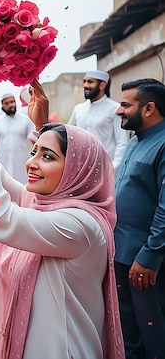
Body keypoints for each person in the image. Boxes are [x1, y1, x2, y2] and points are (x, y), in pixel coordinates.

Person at [0, 44, 124, 359]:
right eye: (34, 152)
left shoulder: (79, 225)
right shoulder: (48, 204)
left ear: (76, 170)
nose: (31, 163)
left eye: (46, 156)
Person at [113, 78, 165, 359]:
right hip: (123, 254)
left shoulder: (163, 143)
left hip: (147, 262)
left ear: (149, 109)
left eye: (125, 104)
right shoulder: (135, 142)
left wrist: (150, 255)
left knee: (153, 335)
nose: (119, 110)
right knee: (129, 333)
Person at [68, 70, 128, 169]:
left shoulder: (114, 108)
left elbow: (122, 142)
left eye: (90, 82)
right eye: (84, 81)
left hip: (105, 168)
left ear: (102, 85)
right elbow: (69, 136)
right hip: (80, 168)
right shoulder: (78, 109)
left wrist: (113, 167)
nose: (85, 85)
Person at [0, 93, 37, 184]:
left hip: (21, 161)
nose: (11, 105)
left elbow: (34, 139)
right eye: (7, 103)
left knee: (22, 185)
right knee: (3, 184)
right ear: (2, 105)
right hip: (2, 160)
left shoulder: (25, 120)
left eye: (12, 102)